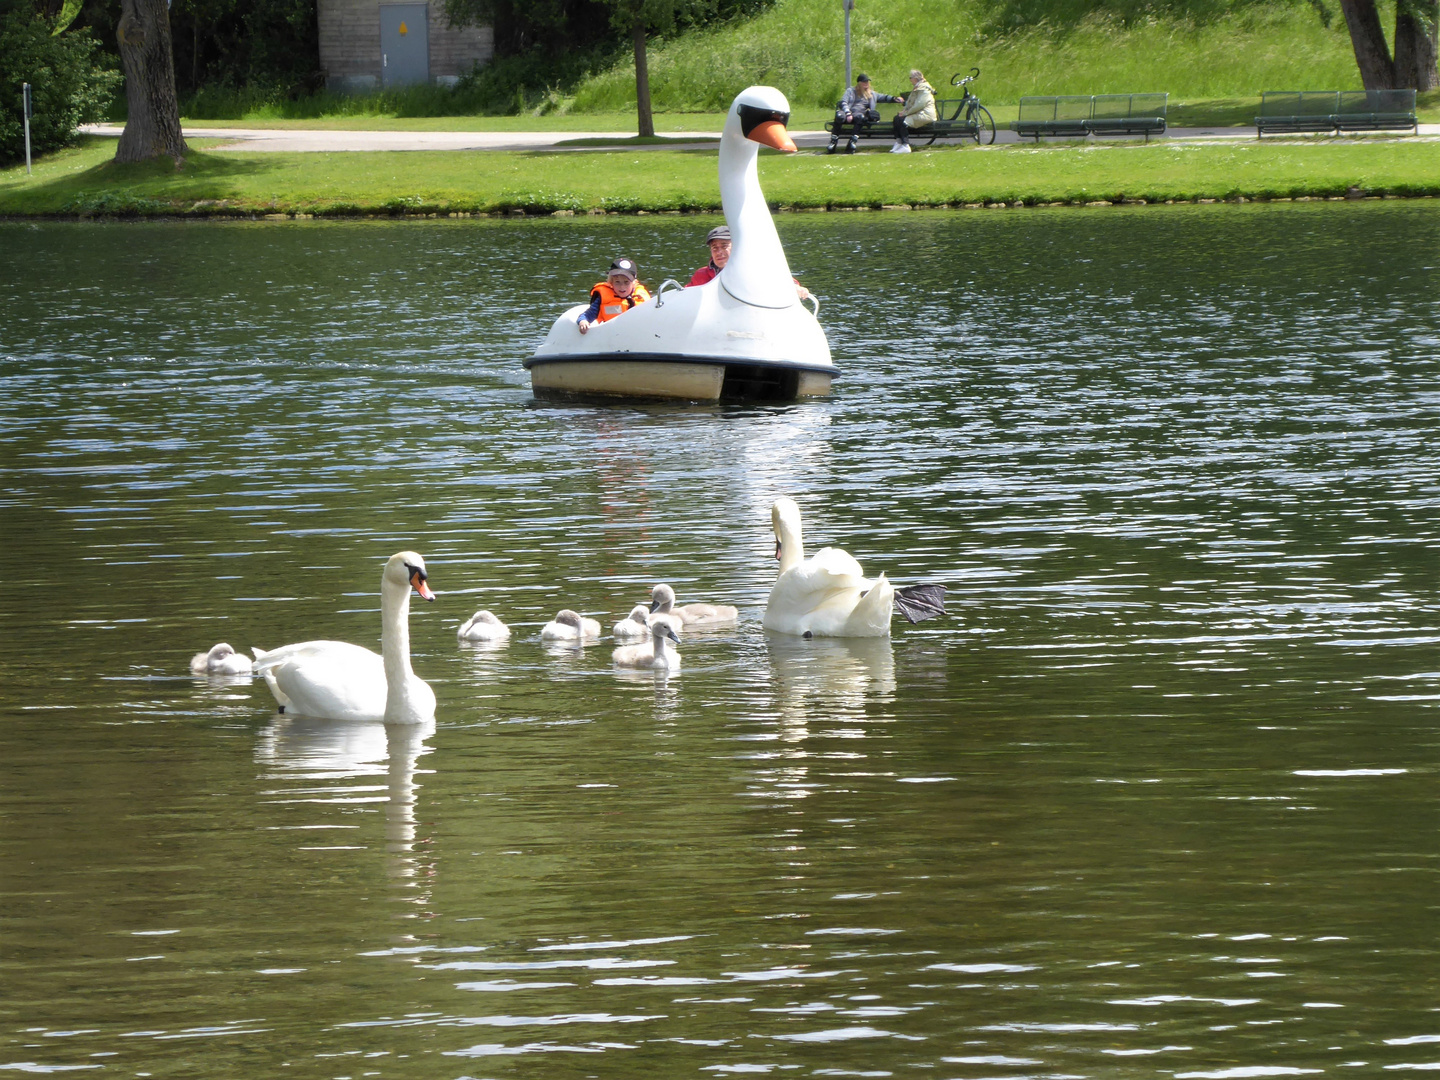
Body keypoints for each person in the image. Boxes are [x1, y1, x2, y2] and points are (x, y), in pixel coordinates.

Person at [684, 225, 811, 301]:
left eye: (724, 246)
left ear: (736, 246)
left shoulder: (753, 269)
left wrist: (795, 288)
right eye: (714, 248)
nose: (719, 252)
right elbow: (686, 295)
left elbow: (781, 279)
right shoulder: (701, 274)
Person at [829, 73, 903, 155]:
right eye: (864, 82)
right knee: (839, 116)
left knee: (861, 117)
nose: (866, 84)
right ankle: (833, 143)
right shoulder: (850, 91)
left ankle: (852, 142)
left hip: (859, 115)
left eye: (867, 82)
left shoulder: (872, 94)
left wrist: (895, 98)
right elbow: (843, 102)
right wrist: (848, 113)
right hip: (848, 112)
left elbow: (884, 97)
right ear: (859, 83)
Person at [577, 257, 651, 334]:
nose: (622, 287)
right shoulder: (603, 298)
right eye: (617, 282)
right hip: (612, 336)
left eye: (626, 282)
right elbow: (588, 315)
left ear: (634, 283)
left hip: (637, 335)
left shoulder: (641, 298)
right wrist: (583, 321)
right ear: (611, 282)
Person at [890, 69, 937, 154]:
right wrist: (903, 111)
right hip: (918, 113)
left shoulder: (924, 89)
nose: (910, 80)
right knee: (897, 118)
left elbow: (919, 105)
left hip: (925, 115)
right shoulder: (918, 87)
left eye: (910, 78)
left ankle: (906, 146)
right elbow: (911, 103)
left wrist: (905, 113)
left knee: (902, 121)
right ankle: (899, 142)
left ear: (915, 78)